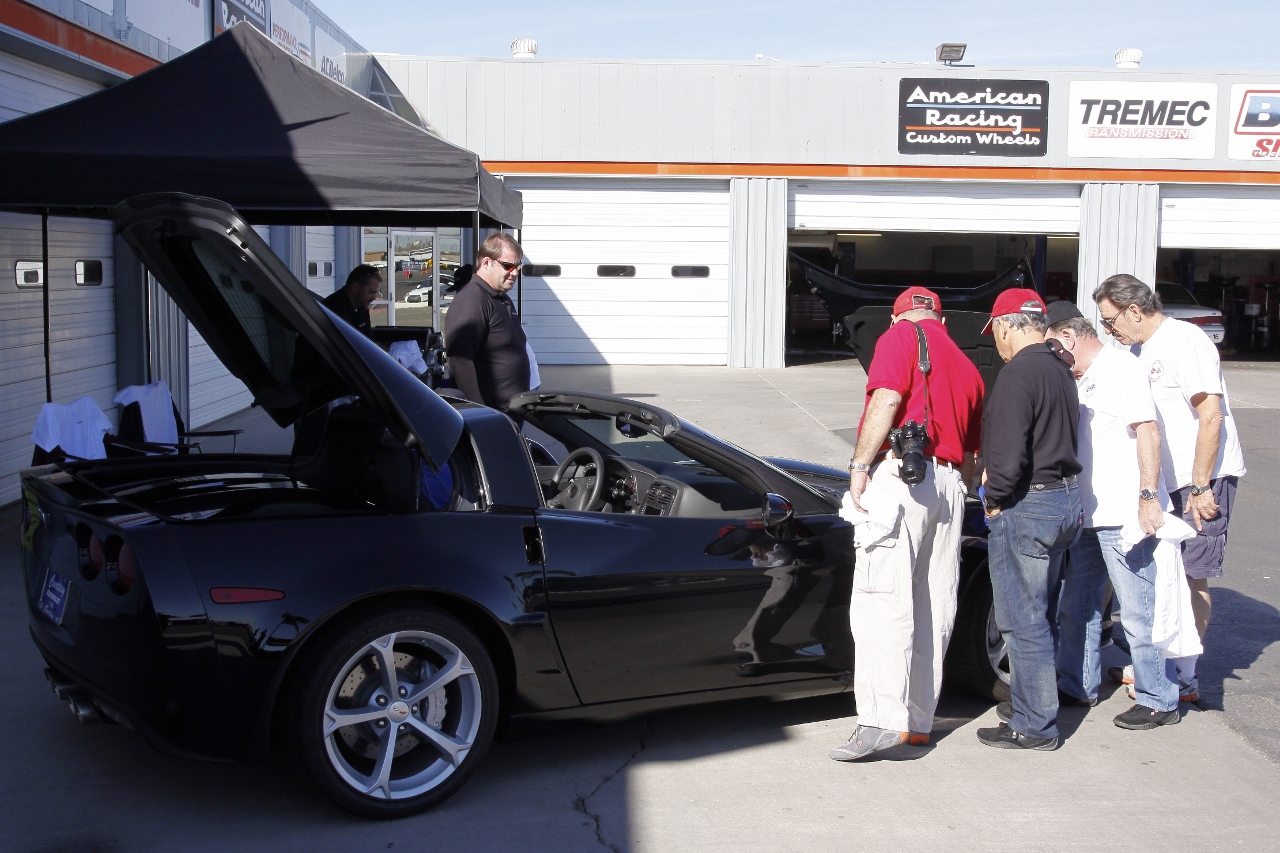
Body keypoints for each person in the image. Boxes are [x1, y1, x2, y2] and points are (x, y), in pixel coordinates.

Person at [829, 286, 984, 762]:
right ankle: (918, 722)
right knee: (934, 604)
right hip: (951, 486)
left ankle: (878, 720)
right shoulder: (968, 365)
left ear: (900, 317)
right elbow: (974, 456)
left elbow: (887, 398)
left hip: (904, 481)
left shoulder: (899, 339)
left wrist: (859, 466)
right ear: (940, 316)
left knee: (882, 602)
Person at [1093, 274, 1245, 703]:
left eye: (1109, 320)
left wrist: (1200, 485)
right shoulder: (1138, 351)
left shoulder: (1186, 342)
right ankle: (1157, 660)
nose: (1109, 330)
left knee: (1193, 573)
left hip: (1201, 480)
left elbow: (1210, 416)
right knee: (1162, 573)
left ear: (1134, 310)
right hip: (1165, 481)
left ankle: (1186, 674)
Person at [1043, 300, 1181, 730]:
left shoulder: (1122, 368)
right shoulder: (1079, 377)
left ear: (1068, 336)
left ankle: (1159, 697)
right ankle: (1075, 683)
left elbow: (1148, 431)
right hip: (1089, 516)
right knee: (1077, 605)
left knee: (1138, 609)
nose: (1055, 358)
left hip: (1124, 515)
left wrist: (1146, 497)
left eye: (1054, 348)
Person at [974, 288, 1083, 752]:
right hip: (1065, 500)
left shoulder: (1019, 373)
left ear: (1006, 325)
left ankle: (1035, 726)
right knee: (1044, 613)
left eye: (995, 331)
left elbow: (1008, 452)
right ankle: (1033, 705)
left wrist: (994, 498)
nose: (996, 341)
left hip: (1029, 504)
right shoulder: (1060, 367)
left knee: (1023, 621)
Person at [446, 232, 531, 409]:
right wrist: (479, 409)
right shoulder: (472, 300)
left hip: (510, 412)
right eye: (508, 266)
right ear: (486, 262)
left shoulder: (501, 297)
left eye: (518, 266)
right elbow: (459, 360)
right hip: (491, 414)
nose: (514, 273)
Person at [322, 263, 382, 336]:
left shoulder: (361, 307)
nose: (374, 298)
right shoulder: (335, 311)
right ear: (355, 287)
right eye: (371, 292)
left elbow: (369, 340)